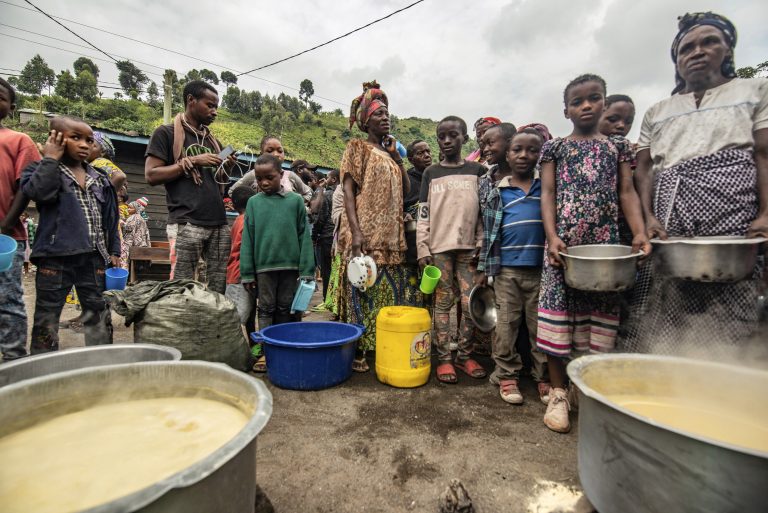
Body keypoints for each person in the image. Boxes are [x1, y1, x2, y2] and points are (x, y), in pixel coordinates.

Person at [625, 12, 768, 355]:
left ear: (728, 50)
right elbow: (644, 171)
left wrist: (765, 212)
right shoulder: (659, 111)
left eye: (709, 42)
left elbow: (764, 153)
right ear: (676, 60)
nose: (697, 52)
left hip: (735, 214)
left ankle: (726, 372)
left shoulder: (754, 91)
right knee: (671, 298)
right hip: (671, 217)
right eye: (686, 47)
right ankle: (672, 372)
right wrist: (648, 220)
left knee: (734, 298)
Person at [536, 74, 651, 433]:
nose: (586, 105)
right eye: (577, 101)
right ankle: (557, 393)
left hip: (604, 243)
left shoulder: (617, 148)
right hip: (564, 246)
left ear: (603, 102)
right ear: (566, 110)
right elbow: (549, 194)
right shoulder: (555, 148)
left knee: (599, 319)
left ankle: (586, 390)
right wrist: (552, 236)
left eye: (593, 98)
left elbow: (627, 193)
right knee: (558, 319)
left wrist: (640, 232)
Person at [21, 116, 120, 353]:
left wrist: (113, 250)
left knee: (97, 313)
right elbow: (38, 193)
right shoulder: (43, 170)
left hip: (94, 258)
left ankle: (100, 365)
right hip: (55, 258)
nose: (85, 144)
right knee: (48, 316)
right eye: (76, 138)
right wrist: (50, 159)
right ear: (55, 138)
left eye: (88, 139)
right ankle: (44, 367)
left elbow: (110, 219)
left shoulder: (99, 178)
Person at [337, 81, 416, 372]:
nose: (386, 118)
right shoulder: (356, 147)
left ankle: (382, 343)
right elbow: (347, 191)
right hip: (366, 232)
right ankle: (358, 349)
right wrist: (356, 232)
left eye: (388, 113)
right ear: (366, 120)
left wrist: (398, 159)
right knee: (362, 287)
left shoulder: (392, 155)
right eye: (379, 114)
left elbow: (407, 191)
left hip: (391, 235)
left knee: (387, 292)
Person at [477, 127, 551, 404]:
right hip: (506, 271)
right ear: (508, 154)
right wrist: (485, 269)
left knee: (539, 327)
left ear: (540, 154)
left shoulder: (545, 186)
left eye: (532, 150)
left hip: (541, 271)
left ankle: (543, 377)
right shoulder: (498, 192)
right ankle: (506, 374)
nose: (524, 155)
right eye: (517, 150)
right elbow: (489, 233)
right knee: (506, 325)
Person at [145, 80, 234, 294]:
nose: (214, 112)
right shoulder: (166, 133)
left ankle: (210, 325)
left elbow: (219, 180)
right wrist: (193, 161)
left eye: (216, 107)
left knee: (218, 286)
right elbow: (151, 175)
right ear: (191, 100)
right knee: (180, 286)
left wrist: (227, 165)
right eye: (209, 105)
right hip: (186, 222)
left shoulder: (214, 142)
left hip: (218, 223)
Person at [417, 115, 486, 383]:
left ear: (464, 138)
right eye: (442, 136)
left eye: (453, 135)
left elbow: (483, 214)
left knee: (470, 304)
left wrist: (482, 244)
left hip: (470, 250)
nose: (447, 140)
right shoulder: (430, 173)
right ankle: (444, 359)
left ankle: (464, 356)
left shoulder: (478, 172)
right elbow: (423, 215)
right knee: (443, 304)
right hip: (440, 250)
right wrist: (423, 249)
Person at [241, 154, 315, 331]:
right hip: (264, 268)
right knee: (265, 308)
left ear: (281, 175)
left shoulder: (295, 201)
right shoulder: (253, 203)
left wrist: (307, 269)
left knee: (285, 307)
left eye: (269, 177)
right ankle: (268, 348)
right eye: (259, 179)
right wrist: (247, 273)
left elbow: (304, 236)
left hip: (290, 268)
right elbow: (248, 239)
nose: (264, 182)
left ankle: (281, 344)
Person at [0, 77, 38, 362]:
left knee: (8, 300)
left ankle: (13, 362)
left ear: (11, 107)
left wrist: (4, 225)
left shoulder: (17, 141)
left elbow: (26, 188)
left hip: (6, 238)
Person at [225, 186, 259, 367]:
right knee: (238, 318)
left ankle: (253, 349)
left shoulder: (239, 219)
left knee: (249, 314)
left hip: (237, 274)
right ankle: (233, 357)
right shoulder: (246, 220)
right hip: (239, 275)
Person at [229, 136, 313, 202]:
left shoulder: (290, 175)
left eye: (280, 151)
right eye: (270, 151)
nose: (276, 154)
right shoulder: (253, 175)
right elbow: (232, 192)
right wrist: (251, 206)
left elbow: (308, 193)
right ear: (261, 154)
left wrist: (295, 204)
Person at [309, 169, 339, 305]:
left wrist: (314, 235)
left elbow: (321, 219)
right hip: (338, 237)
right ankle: (337, 301)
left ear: (334, 179)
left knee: (326, 271)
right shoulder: (345, 193)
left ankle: (327, 301)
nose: (325, 180)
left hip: (326, 237)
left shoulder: (327, 195)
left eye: (327, 177)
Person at [404, 140, 432, 267]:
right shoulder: (406, 181)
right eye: (421, 153)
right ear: (411, 159)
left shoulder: (436, 177)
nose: (427, 155)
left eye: (428, 151)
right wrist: (404, 213)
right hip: (413, 241)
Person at [122, 198, 151, 270]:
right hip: (140, 246)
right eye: (128, 208)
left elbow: (129, 232)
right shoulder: (140, 218)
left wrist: (122, 224)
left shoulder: (134, 217)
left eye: (130, 208)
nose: (128, 210)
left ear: (136, 209)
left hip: (133, 246)